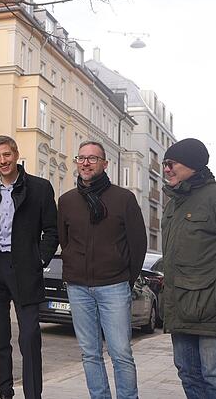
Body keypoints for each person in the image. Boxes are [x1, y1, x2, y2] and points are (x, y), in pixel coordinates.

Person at [0, 135, 59, 399]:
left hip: (24, 269)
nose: (2, 161)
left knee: (30, 337)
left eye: (6, 155)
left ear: (16, 154)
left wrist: (39, 259)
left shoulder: (39, 188)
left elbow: (52, 231)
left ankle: (33, 395)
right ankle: (4, 393)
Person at [161, 138, 216, 399]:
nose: (166, 169)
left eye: (171, 163)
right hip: (181, 305)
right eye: (165, 163)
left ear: (192, 164)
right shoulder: (172, 205)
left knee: (215, 376)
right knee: (187, 371)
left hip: (215, 307)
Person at [57, 141, 147, 399]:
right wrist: (75, 266)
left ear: (105, 164)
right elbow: (65, 240)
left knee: (121, 352)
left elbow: (138, 244)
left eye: (92, 159)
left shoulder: (124, 199)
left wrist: (124, 279)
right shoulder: (66, 201)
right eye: (81, 158)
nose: (85, 163)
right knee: (89, 353)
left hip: (114, 286)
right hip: (78, 287)